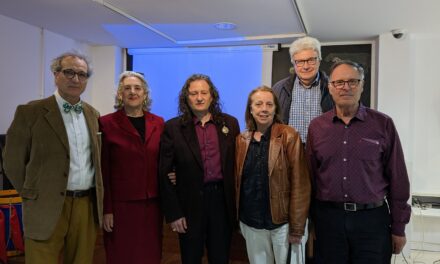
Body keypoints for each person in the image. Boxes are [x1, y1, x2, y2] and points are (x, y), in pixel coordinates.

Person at [306, 60, 411, 263]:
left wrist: (399, 227)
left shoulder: (383, 124)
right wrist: (310, 223)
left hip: (372, 222)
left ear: (362, 85)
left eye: (352, 81)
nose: (345, 87)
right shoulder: (317, 127)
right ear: (330, 87)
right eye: (339, 82)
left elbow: (398, 178)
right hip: (328, 221)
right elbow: (309, 178)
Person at [3, 51, 103, 263]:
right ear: (56, 74)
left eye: (82, 74)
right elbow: (12, 162)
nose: (75, 79)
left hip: (86, 206)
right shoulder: (30, 112)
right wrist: (33, 193)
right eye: (69, 72)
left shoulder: (93, 115)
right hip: (45, 206)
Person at [159, 74, 240, 264]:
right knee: (191, 258)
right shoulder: (173, 127)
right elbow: (164, 173)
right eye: (194, 93)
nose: (199, 97)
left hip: (221, 202)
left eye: (204, 92)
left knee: (220, 257)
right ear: (186, 98)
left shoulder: (230, 123)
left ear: (212, 96)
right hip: (189, 205)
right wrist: (174, 213)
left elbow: (237, 164)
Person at [235, 86, 311, 264]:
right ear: (251, 109)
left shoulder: (289, 136)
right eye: (258, 104)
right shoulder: (241, 140)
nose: (264, 109)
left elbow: (300, 184)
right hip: (252, 223)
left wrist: (297, 228)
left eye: (269, 104)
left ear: (276, 108)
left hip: (283, 224)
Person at [99, 71, 164, 263]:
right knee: (122, 255)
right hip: (120, 207)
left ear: (145, 94)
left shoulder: (159, 122)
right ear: (120, 94)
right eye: (127, 88)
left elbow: (165, 159)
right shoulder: (105, 123)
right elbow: (104, 169)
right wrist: (106, 209)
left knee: (150, 255)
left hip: (152, 204)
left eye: (137, 88)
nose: (132, 92)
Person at [272, 36, 333, 143]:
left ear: (319, 60)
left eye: (311, 60)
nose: (305, 66)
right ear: (293, 64)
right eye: (299, 61)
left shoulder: (333, 87)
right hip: (288, 152)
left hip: (322, 151)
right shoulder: (278, 88)